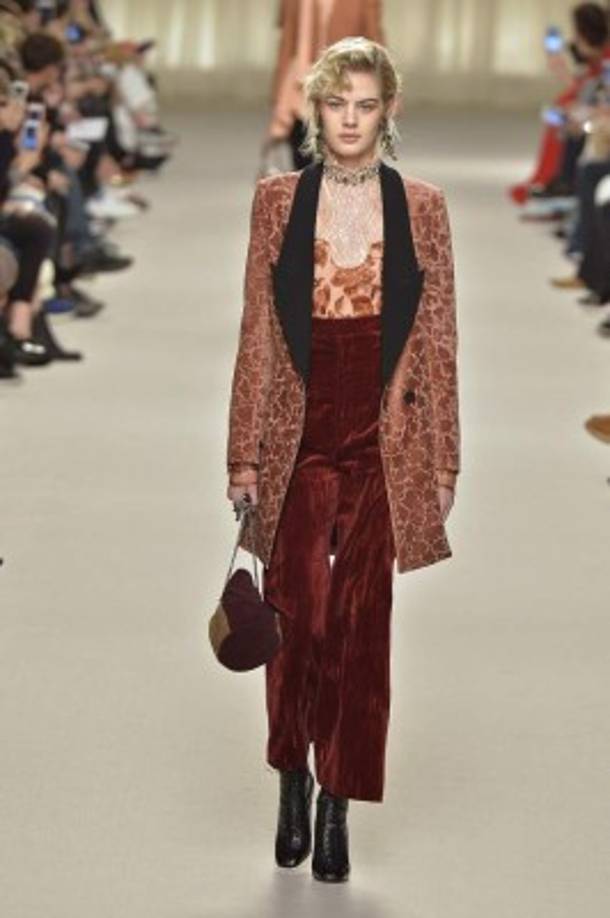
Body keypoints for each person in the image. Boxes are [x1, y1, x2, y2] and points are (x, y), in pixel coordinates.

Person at [226, 37, 460, 882]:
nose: (351, 120)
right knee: (296, 615)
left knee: (364, 627)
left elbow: (437, 339)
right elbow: (257, 328)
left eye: (366, 105)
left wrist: (443, 465)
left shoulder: (423, 206)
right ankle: (292, 769)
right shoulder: (276, 201)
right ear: (316, 111)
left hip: (381, 434)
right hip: (296, 429)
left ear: (387, 111)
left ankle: (338, 803)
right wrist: (242, 455)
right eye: (336, 104)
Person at [265, 0, 384, 169]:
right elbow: (287, 40)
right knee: (302, 158)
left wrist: (383, 84)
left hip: (342, 83)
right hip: (300, 85)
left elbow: (373, 37)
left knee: (337, 159)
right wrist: (278, 92)